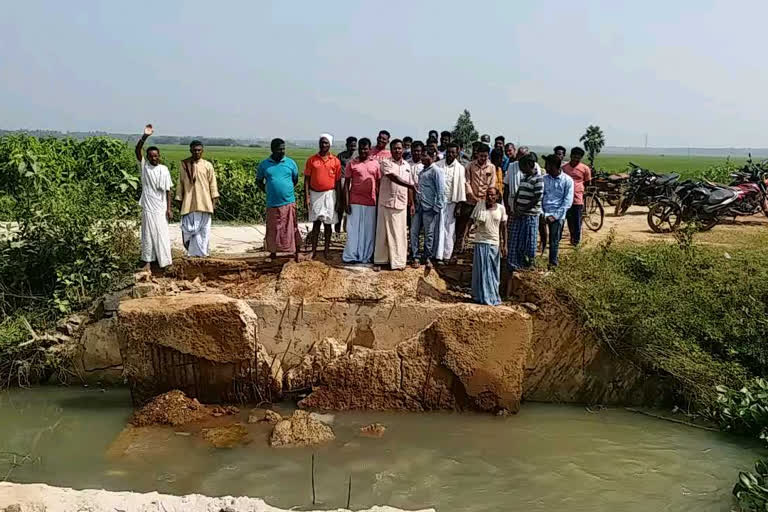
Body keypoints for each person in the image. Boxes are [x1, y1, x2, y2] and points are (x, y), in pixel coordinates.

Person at [373, 139, 417, 271]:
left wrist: (412, 203)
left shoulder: (407, 166)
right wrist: (411, 185)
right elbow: (392, 177)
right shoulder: (386, 163)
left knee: (399, 233)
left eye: (399, 148)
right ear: (391, 150)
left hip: (401, 204)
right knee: (383, 233)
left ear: (403, 149)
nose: (397, 151)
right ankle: (380, 260)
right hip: (386, 202)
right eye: (395, 148)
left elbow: (410, 187)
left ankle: (398, 262)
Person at [134, 124, 173, 270]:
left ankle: (164, 262)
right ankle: (147, 260)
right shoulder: (144, 167)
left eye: (156, 156)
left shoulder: (164, 169)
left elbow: (169, 190)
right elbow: (137, 150)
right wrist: (145, 136)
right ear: (148, 157)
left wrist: (169, 209)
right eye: (151, 156)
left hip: (161, 207)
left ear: (159, 156)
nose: (153, 158)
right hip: (148, 206)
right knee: (147, 234)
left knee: (162, 233)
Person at [256, 138, 301, 262]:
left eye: (283, 149)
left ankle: (295, 252)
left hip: (288, 201)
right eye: (279, 149)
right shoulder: (264, 164)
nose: (282, 151)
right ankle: (273, 253)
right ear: (272, 150)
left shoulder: (291, 163)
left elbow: (295, 180)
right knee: (273, 229)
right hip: (272, 203)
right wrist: (269, 190)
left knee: (291, 227)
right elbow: (259, 181)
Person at [177, 140, 219, 257]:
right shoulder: (185, 164)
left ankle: (203, 254)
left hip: (205, 203)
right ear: (190, 150)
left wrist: (214, 201)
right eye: (194, 150)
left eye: (199, 150)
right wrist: (179, 200)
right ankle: (192, 254)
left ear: (202, 151)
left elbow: (213, 184)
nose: (196, 152)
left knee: (204, 231)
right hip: (188, 203)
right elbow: (180, 183)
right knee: (189, 230)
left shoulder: (207, 165)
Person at [342, 138, 381, 264]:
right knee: (353, 230)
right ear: (358, 149)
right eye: (361, 148)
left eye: (366, 148)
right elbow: (346, 185)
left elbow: (379, 184)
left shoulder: (375, 164)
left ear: (370, 149)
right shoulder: (352, 163)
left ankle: (366, 256)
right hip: (355, 202)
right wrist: (346, 203)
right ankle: (351, 256)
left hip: (371, 202)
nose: (363, 151)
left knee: (369, 232)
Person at [304, 134, 342, 259]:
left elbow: (337, 182)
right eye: (321, 142)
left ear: (330, 144)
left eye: (326, 143)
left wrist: (338, 200)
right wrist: (307, 197)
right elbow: (307, 180)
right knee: (316, 224)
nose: (323, 145)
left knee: (328, 224)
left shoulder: (335, 161)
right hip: (315, 194)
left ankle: (326, 250)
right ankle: (313, 251)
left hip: (330, 194)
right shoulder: (312, 160)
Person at [456, 143, 496, 253]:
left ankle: (480, 249)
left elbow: (492, 185)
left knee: (484, 227)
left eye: (485, 156)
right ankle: (460, 247)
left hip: (485, 202)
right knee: (464, 225)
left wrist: (486, 199)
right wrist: (473, 197)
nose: (483, 158)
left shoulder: (491, 167)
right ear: (477, 155)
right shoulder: (470, 166)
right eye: (481, 156)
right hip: (470, 201)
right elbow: (467, 183)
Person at [506, 153, 544, 272]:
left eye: (522, 166)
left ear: (529, 165)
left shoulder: (538, 179)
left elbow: (537, 198)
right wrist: (516, 207)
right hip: (519, 213)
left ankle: (527, 264)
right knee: (515, 239)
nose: (521, 169)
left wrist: (523, 209)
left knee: (528, 240)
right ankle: (514, 264)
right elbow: (518, 193)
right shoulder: (524, 178)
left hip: (530, 215)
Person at [471, 187, 508, 306]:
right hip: (481, 241)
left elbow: (504, 228)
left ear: (497, 196)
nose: (490, 197)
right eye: (488, 195)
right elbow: (469, 222)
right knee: (481, 271)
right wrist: (464, 238)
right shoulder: (479, 206)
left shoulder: (501, 209)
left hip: (494, 243)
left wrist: (504, 244)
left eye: (493, 195)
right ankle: (480, 296)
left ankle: (492, 296)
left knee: (492, 271)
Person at [411, 146, 445, 268]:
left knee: (429, 234)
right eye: (422, 155)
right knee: (414, 232)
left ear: (432, 157)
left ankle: (427, 257)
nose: (422, 158)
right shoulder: (422, 171)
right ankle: (415, 255)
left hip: (430, 208)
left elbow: (441, 191)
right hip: (419, 205)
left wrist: (437, 207)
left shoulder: (436, 171)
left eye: (425, 156)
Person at [435, 142, 466, 263]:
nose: (450, 154)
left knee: (449, 229)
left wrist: (459, 206)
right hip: (439, 202)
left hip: (452, 202)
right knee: (438, 227)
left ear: (457, 153)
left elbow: (461, 188)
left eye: (453, 152)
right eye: (448, 152)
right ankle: (437, 254)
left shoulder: (460, 168)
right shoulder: (438, 165)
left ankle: (447, 255)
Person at [542, 154, 574, 267]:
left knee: (554, 241)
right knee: (540, 239)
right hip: (543, 213)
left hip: (557, 215)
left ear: (553, 166)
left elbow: (567, 202)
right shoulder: (543, 179)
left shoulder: (567, 181)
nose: (545, 167)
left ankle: (552, 264)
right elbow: (539, 197)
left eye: (547, 165)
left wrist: (555, 216)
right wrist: (542, 213)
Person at [562, 146, 591, 246]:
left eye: (578, 158)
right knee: (569, 220)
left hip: (578, 199)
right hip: (566, 199)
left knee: (577, 220)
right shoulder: (564, 168)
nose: (575, 159)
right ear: (570, 156)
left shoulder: (585, 168)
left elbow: (587, 182)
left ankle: (576, 241)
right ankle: (572, 236)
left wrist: (582, 191)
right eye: (574, 157)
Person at [336, 136, 358, 233]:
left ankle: (348, 230)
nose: (352, 147)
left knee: (351, 207)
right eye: (351, 145)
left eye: (354, 145)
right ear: (347, 145)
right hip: (343, 181)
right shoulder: (341, 156)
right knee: (340, 207)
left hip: (354, 181)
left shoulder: (358, 156)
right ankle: (337, 230)